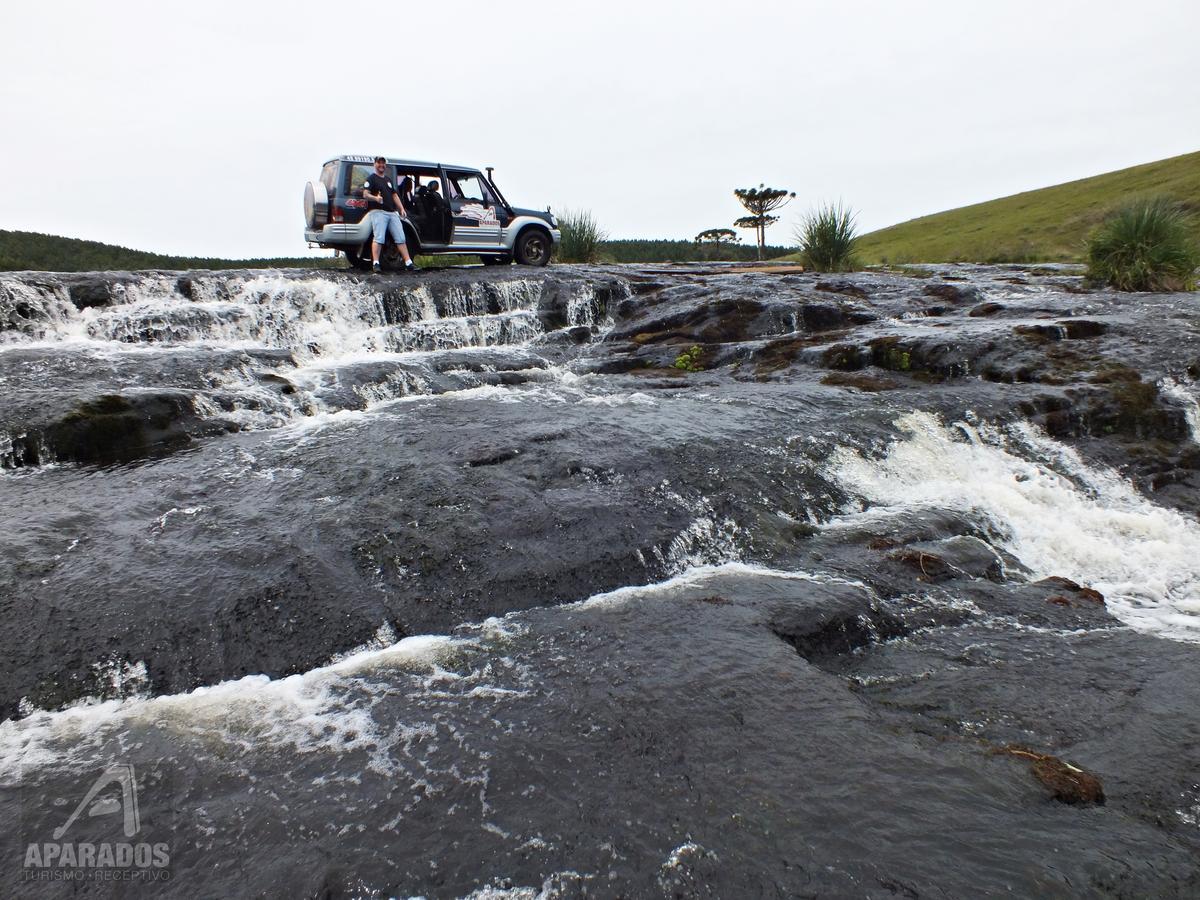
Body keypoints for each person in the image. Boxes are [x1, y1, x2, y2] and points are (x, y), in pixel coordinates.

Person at [362, 156, 415, 273]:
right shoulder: (371, 179)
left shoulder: (388, 180)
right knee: (379, 237)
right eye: (379, 163)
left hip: (392, 212)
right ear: (374, 164)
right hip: (378, 212)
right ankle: (376, 263)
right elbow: (365, 194)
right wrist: (376, 198)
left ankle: (408, 262)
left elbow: (394, 195)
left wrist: (401, 208)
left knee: (400, 237)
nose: (381, 165)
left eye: (383, 163)